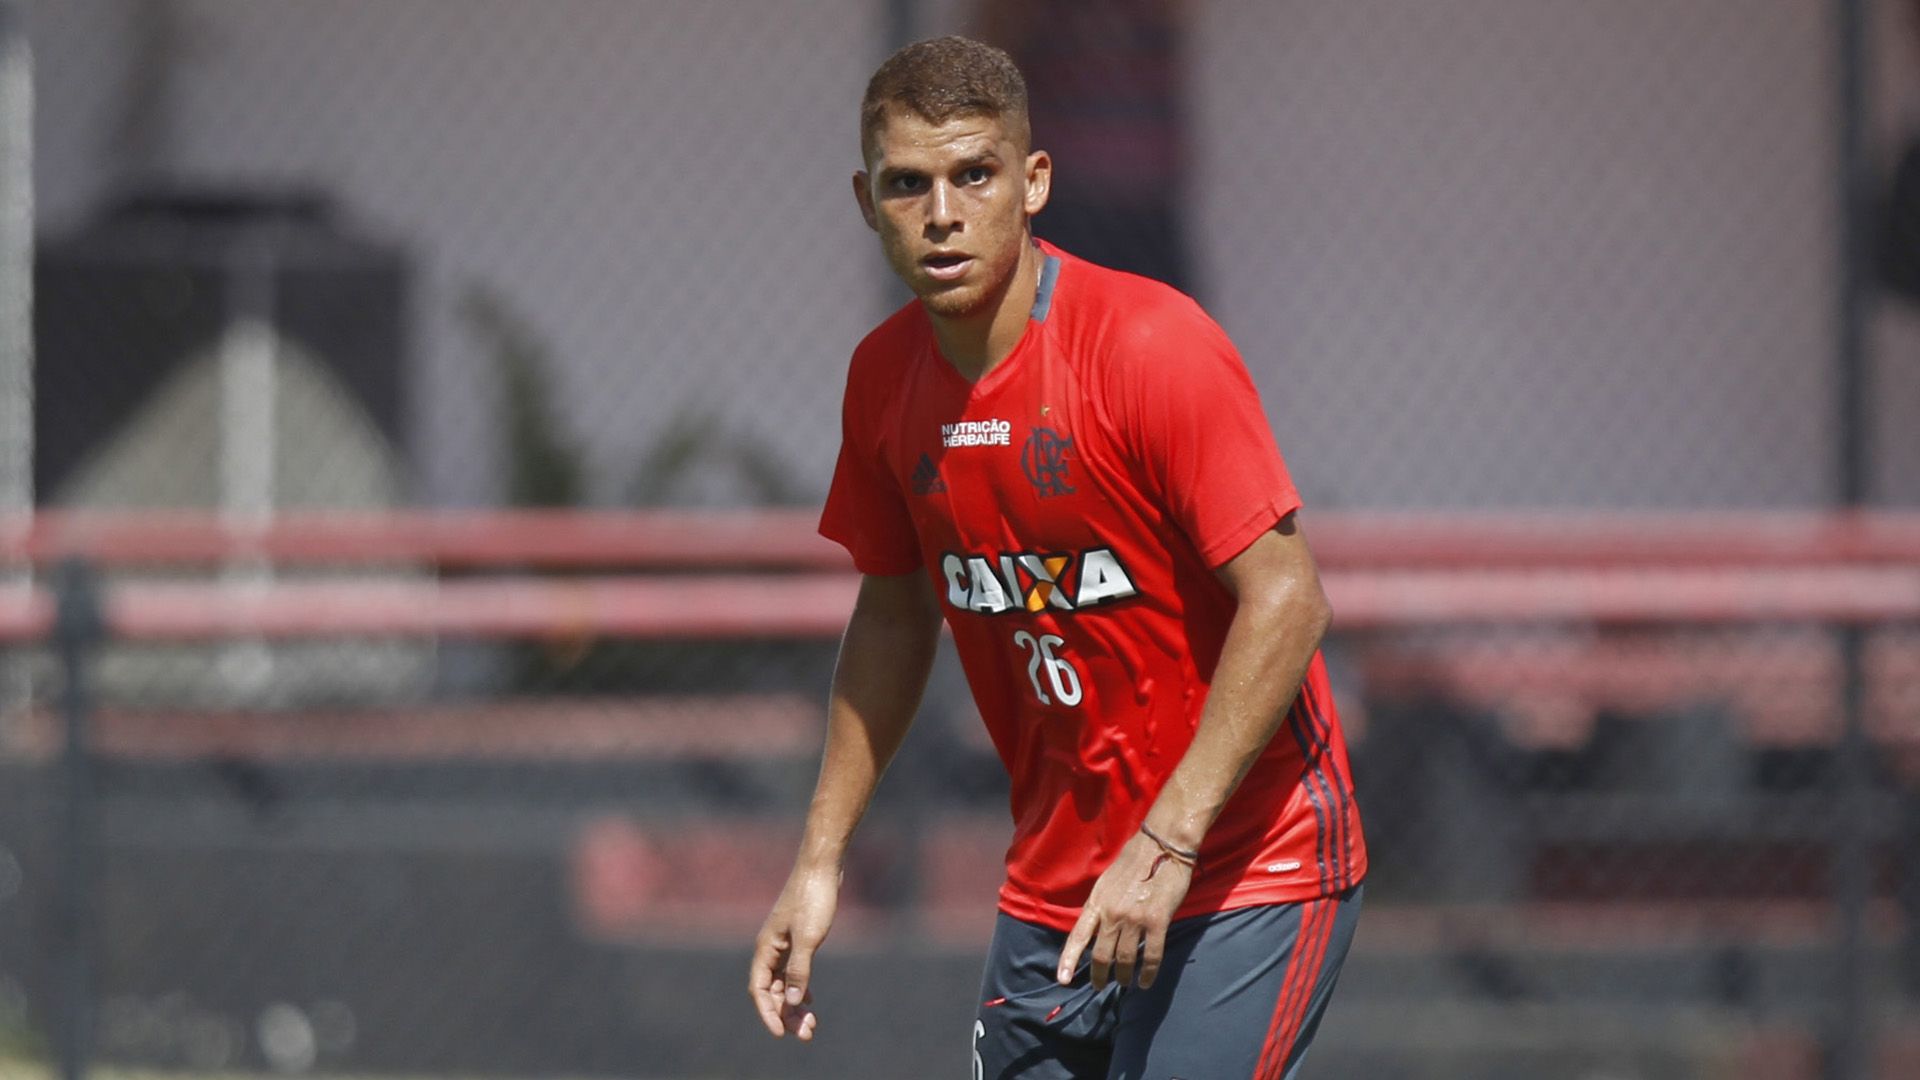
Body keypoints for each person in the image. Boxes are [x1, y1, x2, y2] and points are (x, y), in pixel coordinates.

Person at [748, 36, 1366, 1079]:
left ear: (1032, 183)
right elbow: (896, 613)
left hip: (1245, 867)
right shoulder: (884, 381)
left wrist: (1166, 847)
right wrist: (817, 862)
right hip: (1056, 884)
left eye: (972, 175)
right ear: (867, 202)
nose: (942, 212)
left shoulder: (1151, 347)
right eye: (908, 184)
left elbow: (1289, 602)